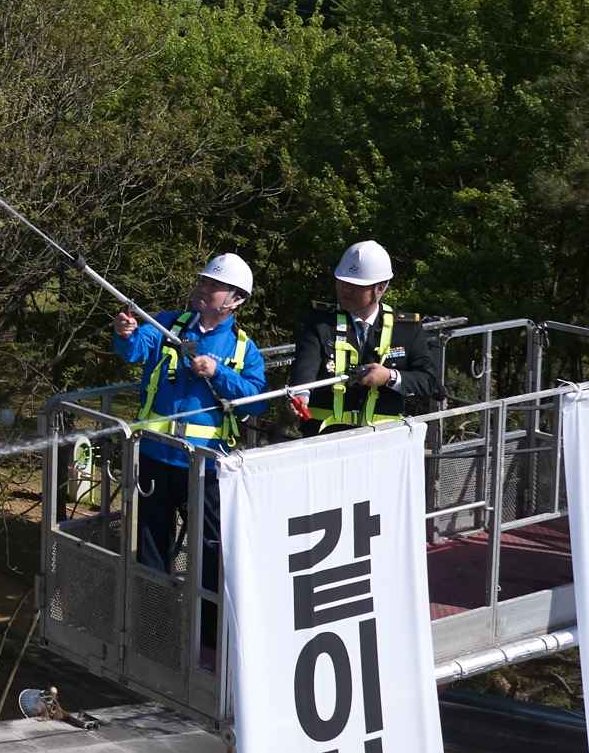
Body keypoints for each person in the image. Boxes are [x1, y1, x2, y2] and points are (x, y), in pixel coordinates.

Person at [110, 255, 265, 572]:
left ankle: (206, 606)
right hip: (155, 454)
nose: (204, 288)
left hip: (205, 465)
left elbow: (257, 401)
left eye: (214, 285)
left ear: (236, 299)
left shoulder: (242, 348)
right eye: (203, 281)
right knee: (151, 547)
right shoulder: (169, 324)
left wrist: (219, 372)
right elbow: (135, 350)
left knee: (211, 548)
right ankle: (154, 604)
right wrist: (125, 333)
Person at [289, 241, 446, 433]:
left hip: (383, 439)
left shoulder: (406, 329)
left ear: (381, 288)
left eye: (354, 286)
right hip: (325, 437)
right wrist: (301, 395)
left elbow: (431, 383)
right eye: (341, 282)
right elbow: (305, 367)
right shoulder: (320, 323)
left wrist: (389, 377)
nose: (345, 290)